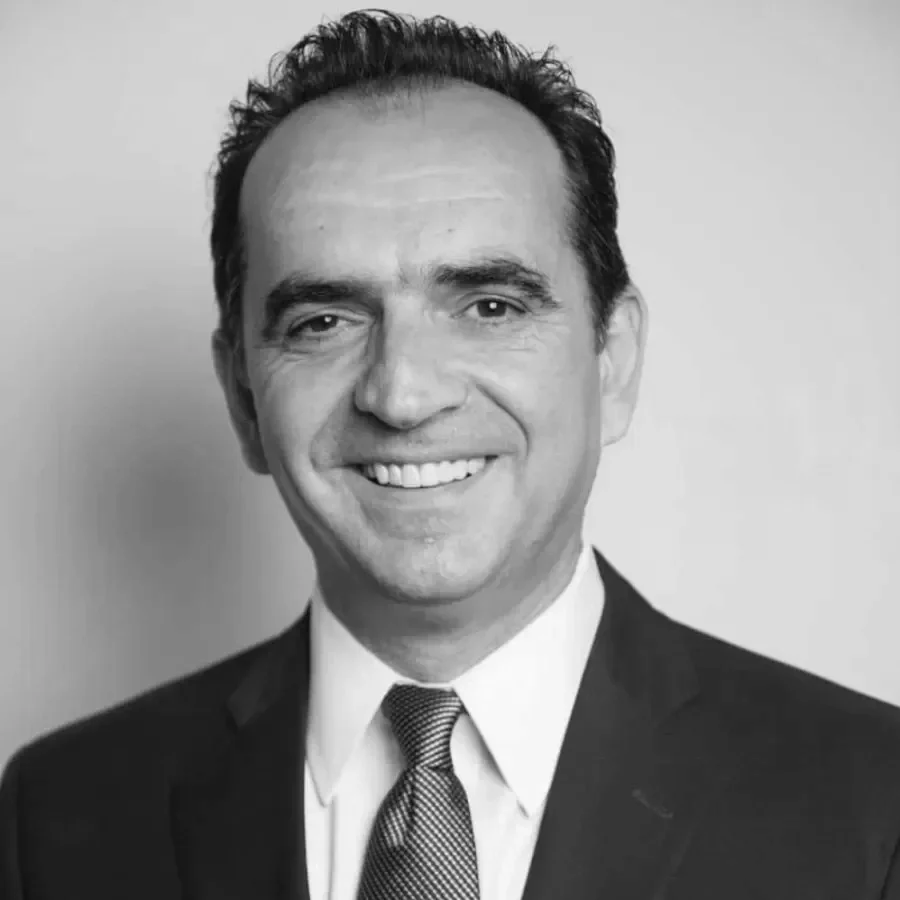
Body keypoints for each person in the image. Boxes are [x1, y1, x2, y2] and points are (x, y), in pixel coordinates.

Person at [2, 8, 899, 898]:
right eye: (324, 321)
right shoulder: (58, 816)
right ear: (242, 396)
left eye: (490, 307)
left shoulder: (872, 803)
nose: (402, 394)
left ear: (613, 361)